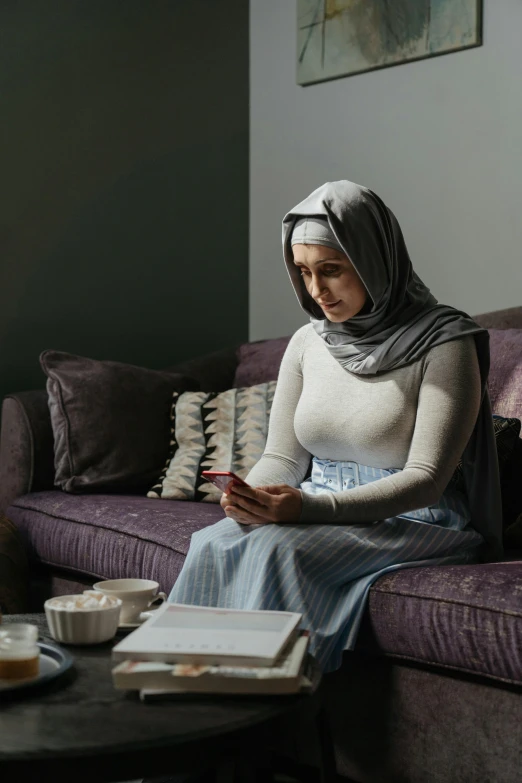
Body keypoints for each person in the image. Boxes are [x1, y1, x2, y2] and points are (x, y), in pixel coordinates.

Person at [167, 180, 503, 673]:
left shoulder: (445, 342)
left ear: (374, 261)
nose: (316, 291)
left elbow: (427, 480)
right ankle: (180, 687)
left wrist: (306, 509)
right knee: (212, 541)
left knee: (279, 552)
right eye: (303, 272)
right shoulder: (307, 342)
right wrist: (250, 497)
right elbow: (283, 458)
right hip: (316, 504)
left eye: (331, 271)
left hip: (416, 519)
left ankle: (263, 711)